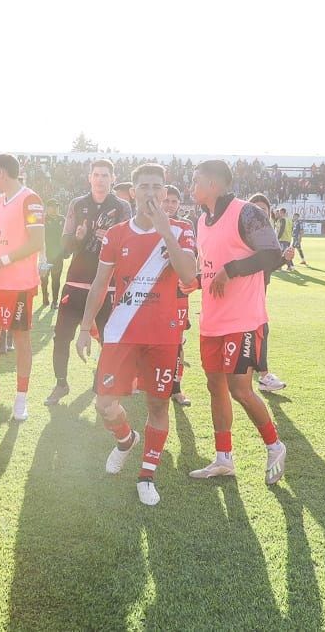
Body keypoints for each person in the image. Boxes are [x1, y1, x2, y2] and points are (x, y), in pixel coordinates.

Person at [74, 163, 197, 506]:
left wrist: (165, 231)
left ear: (166, 191)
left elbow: (188, 274)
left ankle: (146, 475)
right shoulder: (116, 234)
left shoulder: (183, 230)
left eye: (157, 187)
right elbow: (100, 284)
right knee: (104, 403)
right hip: (120, 332)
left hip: (163, 335)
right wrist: (85, 327)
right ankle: (126, 439)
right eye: (143, 186)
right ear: (133, 192)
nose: (151, 193)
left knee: (157, 404)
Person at [187, 161, 287, 485]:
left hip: (243, 321)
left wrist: (231, 269)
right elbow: (209, 268)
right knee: (215, 385)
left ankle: (275, 446)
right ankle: (223, 459)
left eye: (196, 181)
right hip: (212, 322)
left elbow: (273, 253)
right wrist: (195, 282)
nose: (191, 187)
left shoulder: (247, 213)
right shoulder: (201, 221)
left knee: (240, 389)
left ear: (214, 184)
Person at [45, 160, 132, 406]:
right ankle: (61, 383)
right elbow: (65, 246)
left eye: (105, 175)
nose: (100, 179)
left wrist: (113, 240)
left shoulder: (122, 206)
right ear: (89, 178)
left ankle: (101, 384)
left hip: (108, 285)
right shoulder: (77, 204)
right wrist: (78, 237)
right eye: (96, 175)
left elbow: (130, 245)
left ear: (113, 178)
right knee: (61, 336)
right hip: (77, 282)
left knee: (108, 338)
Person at [0, 154, 44, 422]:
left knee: (21, 340)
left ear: (3, 174)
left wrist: (2, 260)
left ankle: (21, 398)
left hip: (19, 284)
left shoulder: (31, 199)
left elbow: (36, 242)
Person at [247, 194, 288, 394]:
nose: (260, 213)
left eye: (263, 209)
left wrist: (282, 260)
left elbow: (266, 268)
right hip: (245, 294)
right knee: (259, 331)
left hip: (259, 292)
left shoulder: (265, 236)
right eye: (255, 209)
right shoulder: (244, 235)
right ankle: (263, 376)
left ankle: (261, 375)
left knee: (259, 332)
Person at [162, 185, 194, 406]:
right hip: (151, 292)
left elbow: (189, 259)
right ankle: (144, 381)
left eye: (174, 201)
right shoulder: (147, 225)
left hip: (177, 293)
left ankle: (176, 387)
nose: (170, 205)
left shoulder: (185, 226)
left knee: (176, 343)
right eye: (167, 200)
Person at [40, 198, 65, 309]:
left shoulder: (62, 219)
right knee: (44, 278)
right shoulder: (42, 219)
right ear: (48, 208)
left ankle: (55, 301)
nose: (55, 209)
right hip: (45, 255)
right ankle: (45, 297)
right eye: (53, 206)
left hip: (58, 256)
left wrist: (66, 251)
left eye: (57, 206)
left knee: (56, 279)